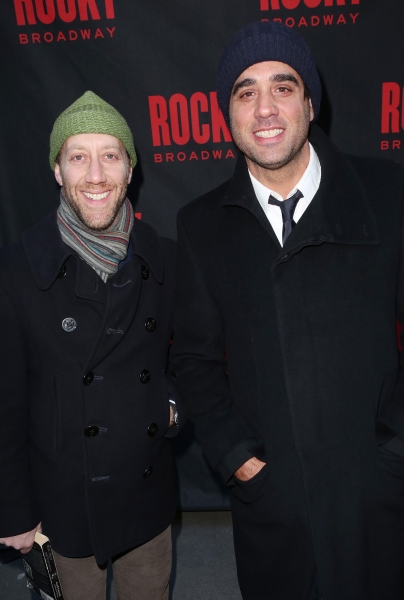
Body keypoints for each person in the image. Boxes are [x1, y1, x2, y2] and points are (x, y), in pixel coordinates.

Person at [170, 21, 404, 600]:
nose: (265, 108)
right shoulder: (200, 225)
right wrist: (237, 458)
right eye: (245, 92)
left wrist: (396, 445)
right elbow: (193, 358)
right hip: (275, 504)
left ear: (309, 102)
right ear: (228, 114)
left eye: (283, 85)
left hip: (376, 495)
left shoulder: (388, 195)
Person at [0, 91, 183, 600]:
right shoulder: (12, 273)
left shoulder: (165, 261)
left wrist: (169, 408)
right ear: (58, 170)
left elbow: (190, 361)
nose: (95, 175)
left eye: (110, 156)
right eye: (79, 157)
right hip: (62, 506)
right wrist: (11, 510)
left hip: (147, 494)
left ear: (129, 169)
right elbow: (0, 404)